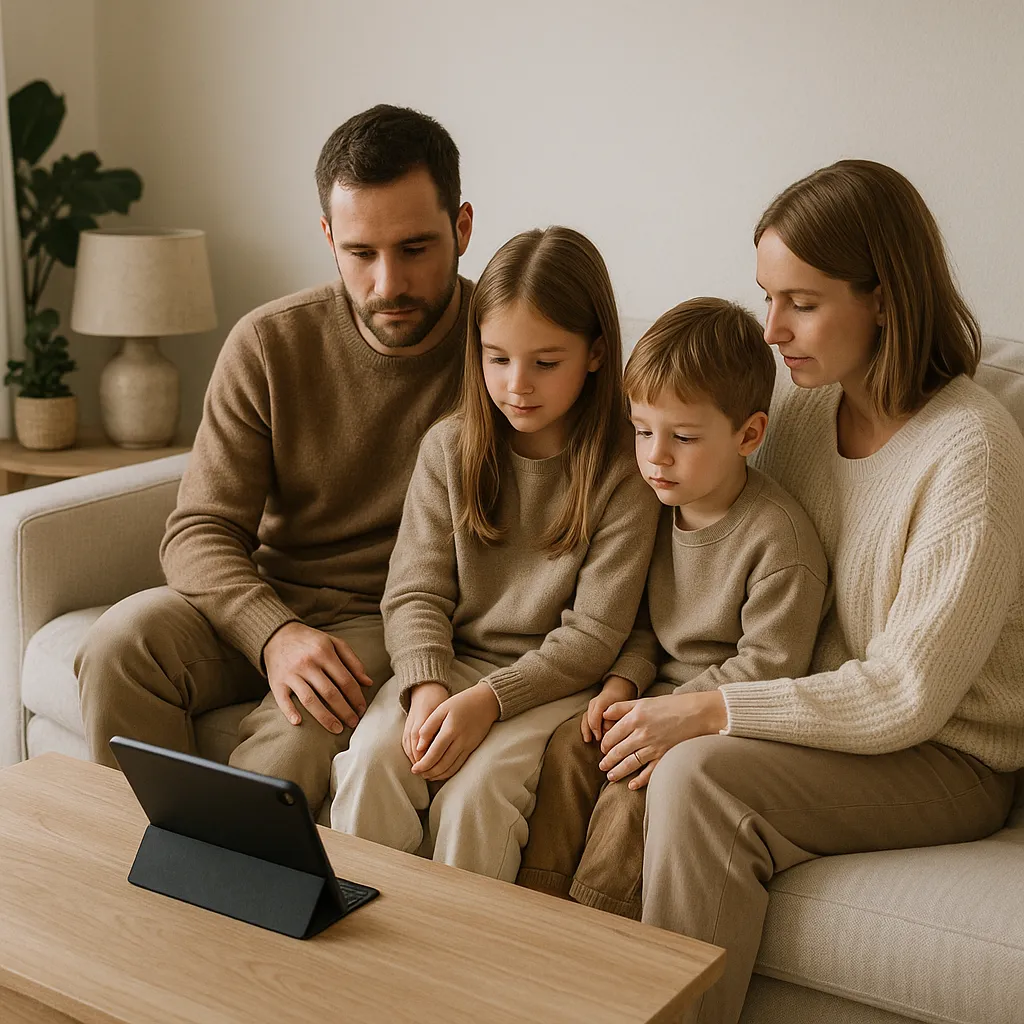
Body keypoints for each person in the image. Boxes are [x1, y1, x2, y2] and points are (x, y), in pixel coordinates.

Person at [529, 159, 1024, 1024]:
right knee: (609, 748)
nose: (771, 330)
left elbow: (907, 695)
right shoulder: (796, 409)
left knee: (698, 778)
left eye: (801, 301)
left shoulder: (970, 452)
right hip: (818, 714)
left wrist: (707, 711)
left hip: (949, 754)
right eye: (766, 296)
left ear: (884, 297)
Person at [75, 104, 474, 815]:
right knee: (118, 643)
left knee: (288, 747)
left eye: (415, 248)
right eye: (361, 252)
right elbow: (197, 531)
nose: (388, 283)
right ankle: (141, 882)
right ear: (327, 237)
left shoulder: (504, 352)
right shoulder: (270, 343)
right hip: (272, 594)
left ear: (462, 228)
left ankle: (235, 908)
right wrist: (275, 634)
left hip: (392, 614)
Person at [329, 226, 660, 881]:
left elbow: (594, 634)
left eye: (545, 361)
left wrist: (488, 702)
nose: (517, 385)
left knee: (478, 799)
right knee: (371, 762)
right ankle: (360, 954)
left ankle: (459, 971)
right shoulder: (449, 449)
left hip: (555, 684)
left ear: (596, 354)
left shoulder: (625, 471)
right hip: (451, 665)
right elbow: (416, 591)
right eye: (497, 358)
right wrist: (425, 685)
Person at [517, 296, 829, 914]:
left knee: (635, 787)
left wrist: (670, 712)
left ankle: (596, 927)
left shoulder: (779, 541)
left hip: (727, 718)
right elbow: (642, 625)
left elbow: (772, 667)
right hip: (654, 700)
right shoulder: (655, 509)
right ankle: (536, 910)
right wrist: (620, 684)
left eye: (682, 437)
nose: (655, 456)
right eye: (642, 432)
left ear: (749, 435)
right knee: (570, 749)